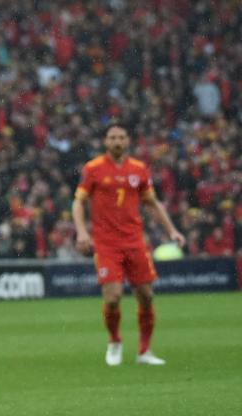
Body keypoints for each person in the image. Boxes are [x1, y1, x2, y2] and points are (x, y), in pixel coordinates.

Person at [72, 122, 185, 367]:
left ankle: (144, 351)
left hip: (135, 241)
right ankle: (115, 341)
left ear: (128, 141)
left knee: (145, 295)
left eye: (121, 137)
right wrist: (82, 232)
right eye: (112, 137)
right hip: (106, 244)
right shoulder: (93, 169)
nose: (117, 142)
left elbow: (152, 204)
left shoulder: (139, 169)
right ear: (105, 142)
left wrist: (172, 230)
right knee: (112, 297)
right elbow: (78, 202)